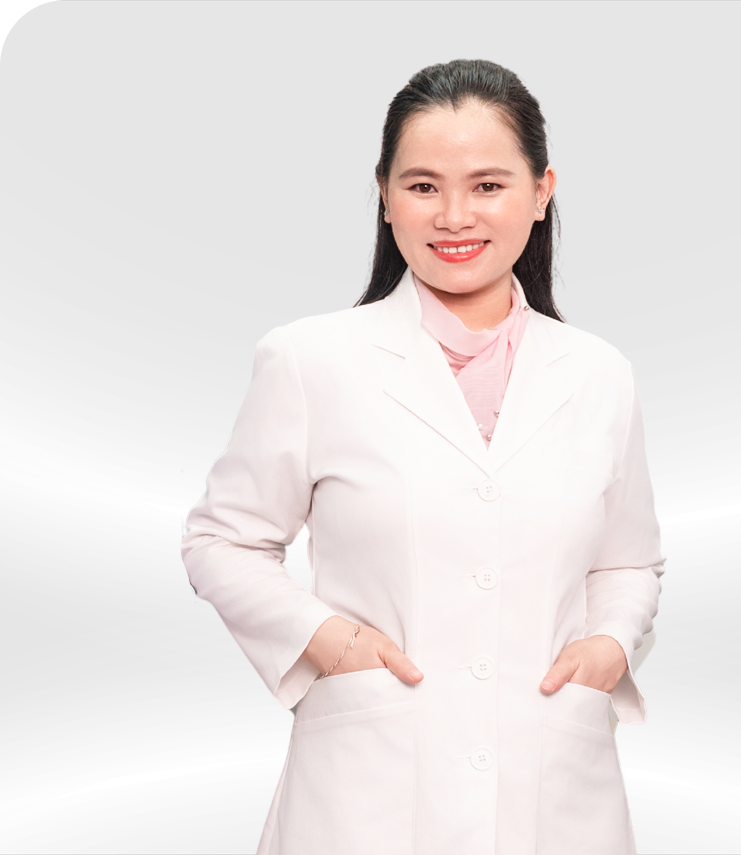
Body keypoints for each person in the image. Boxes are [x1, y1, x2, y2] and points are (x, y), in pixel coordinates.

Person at [181, 58, 667, 855]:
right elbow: (220, 540)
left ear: (540, 191)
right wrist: (326, 639)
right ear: (383, 194)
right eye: (421, 185)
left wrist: (609, 644)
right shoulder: (310, 360)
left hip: (555, 788)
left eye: (487, 185)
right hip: (364, 792)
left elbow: (627, 561)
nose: (453, 216)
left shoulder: (598, 374)